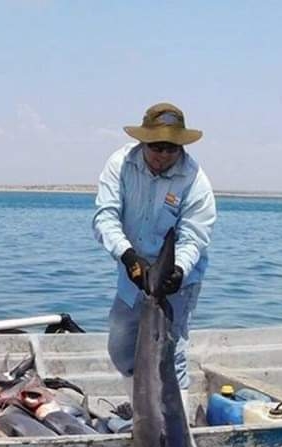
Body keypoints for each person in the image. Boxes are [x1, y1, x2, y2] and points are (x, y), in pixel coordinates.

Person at [92, 102, 217, 411]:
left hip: (177, 279)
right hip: (132, 271)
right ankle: (143, 415)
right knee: (121, 347)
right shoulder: (120, 164)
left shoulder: (194, 180)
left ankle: (178, 431)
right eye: (156, 146)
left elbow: (194, 235)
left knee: (171, 356)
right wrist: (128, 256)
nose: (163, 154)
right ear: (142, 141)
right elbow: (104, 217)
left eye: (171, 148)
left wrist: (178, 269)